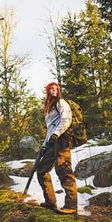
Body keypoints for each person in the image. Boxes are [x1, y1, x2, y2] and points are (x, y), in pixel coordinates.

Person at [36, 82, 78, 214]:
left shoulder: (61, 102)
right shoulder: (49, 108)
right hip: (51, 142)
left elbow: (66, 119)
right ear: (47, 92)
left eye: (55, 88)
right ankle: (50, 201)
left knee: (64, 171)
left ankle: (71, 206)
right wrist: (44, 145)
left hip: (62, 140)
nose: (53, 90)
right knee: (41, 170)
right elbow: (50, 129)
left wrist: (56, 134)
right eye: (51, 89)